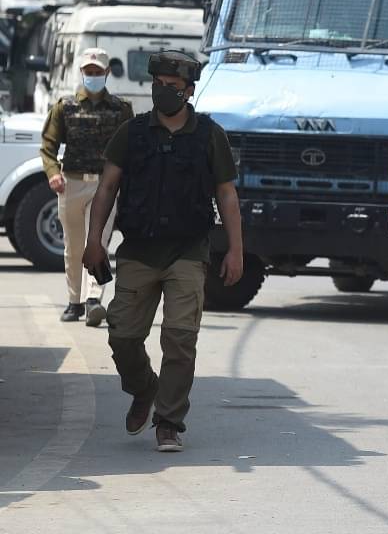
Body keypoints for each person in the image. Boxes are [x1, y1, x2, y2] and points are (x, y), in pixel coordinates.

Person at [82, 51, 242, 454]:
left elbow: (226, 193)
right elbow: (106, 189)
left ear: (188, 92)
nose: (163, 92)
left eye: (172, 87)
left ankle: (169, 421)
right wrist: (93, 240)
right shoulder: (132, 133)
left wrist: (236, 250)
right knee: (122, 336)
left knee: (180, 338)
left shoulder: (209, 135)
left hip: (188, 251)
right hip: (137, 249)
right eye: (159, 85)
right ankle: (143, 388)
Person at [39, 48, 133, 324]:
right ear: (82, 73)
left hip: (105, 186)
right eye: (88, 72)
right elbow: (48, 145)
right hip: (72, 184)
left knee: (99, 241)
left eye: (97, 72)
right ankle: (74, 301)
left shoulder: (120, 108)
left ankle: (93, 299)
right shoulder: (64, 106)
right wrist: (53, 172)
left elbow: (132, 147)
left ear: (106, 73)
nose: (93, 76)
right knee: (74, 246)